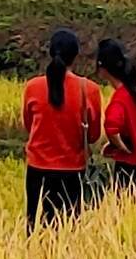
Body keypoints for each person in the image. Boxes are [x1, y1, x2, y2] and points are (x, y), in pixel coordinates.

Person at [21, 28, 94, 229]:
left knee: (33, 225)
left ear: (50, 52)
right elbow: (93, 135)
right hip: (72, 170)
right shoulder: (89, 89)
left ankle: (31, 258)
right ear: (76, 56)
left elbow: (29, 125)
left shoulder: (32, 87)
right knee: (68, 227)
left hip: (37, 169)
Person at [93, 37, 136, 193]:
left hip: (129, 166)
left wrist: (121, 147)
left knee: (127, 205)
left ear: (102, 68)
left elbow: (111, 127)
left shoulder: (120, 99)